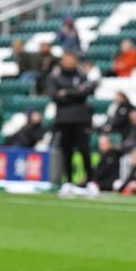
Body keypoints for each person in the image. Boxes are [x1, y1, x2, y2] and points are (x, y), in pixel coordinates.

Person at [49, 52, 97, 185]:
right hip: (63, 120)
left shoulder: (82, 76)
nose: (68, 61)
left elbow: (86, 91)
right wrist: (75, 92)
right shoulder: (55, 77)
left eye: (71, 58)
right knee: (67, 151)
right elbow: (54, 96)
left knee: (84, 150)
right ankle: (68, 182)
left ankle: (91, 182)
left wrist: (67, 92)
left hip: (81, 119)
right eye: (66, 59)